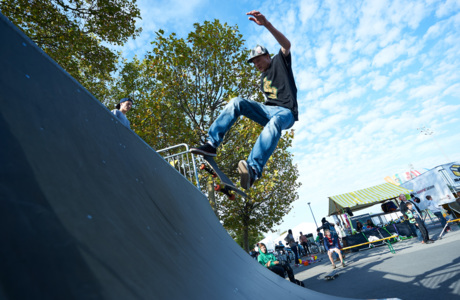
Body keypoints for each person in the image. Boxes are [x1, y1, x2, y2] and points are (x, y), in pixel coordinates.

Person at [190, 10, 298, 190]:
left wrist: (267, 25)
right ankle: (211, 144)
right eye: (254, 63)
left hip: (286, 113)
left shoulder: (280, 62)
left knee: (275, 122)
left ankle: (253, 170)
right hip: (267, 111)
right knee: (236, 102)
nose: (256, 65)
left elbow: (286, 44)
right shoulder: (262, 79)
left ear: (267, 56)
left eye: (258, 61)